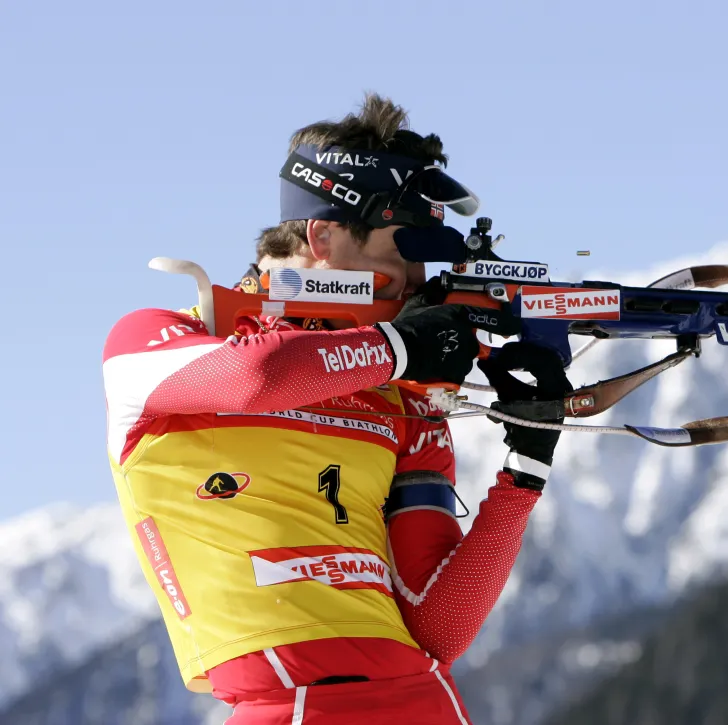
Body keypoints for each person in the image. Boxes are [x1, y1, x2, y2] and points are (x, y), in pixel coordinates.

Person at [101, 93, 572, 724]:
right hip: (284, 704)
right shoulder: (159, 339)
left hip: (421, 698)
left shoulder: (397, 393)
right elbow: (255, 377)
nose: (414, 278)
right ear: (321, 236)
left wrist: (527, 465)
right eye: (400, 250)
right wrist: (399, 346)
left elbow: (437, 625)